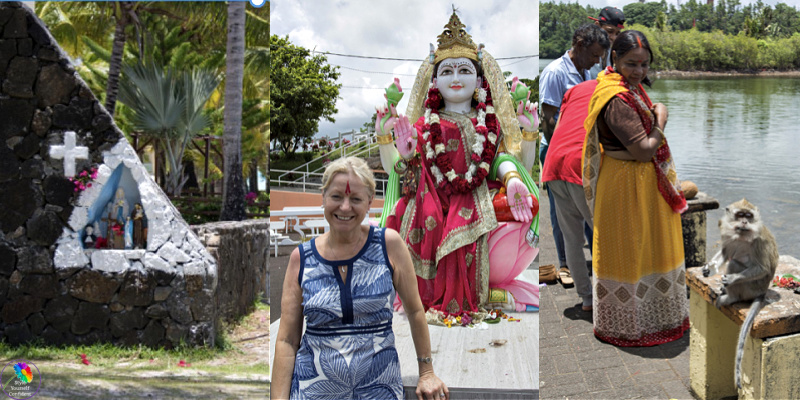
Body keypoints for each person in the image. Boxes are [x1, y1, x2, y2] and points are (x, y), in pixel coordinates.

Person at [375, 12, 539, 319]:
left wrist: (523, 151)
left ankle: (482, 287)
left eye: (464, 70)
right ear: (434, 81)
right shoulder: (424, 125)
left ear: (478, 80)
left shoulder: (490, 125)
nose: (455, 78)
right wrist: (403, 151)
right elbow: (404, 178)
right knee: (401, 216)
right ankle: (483, 293)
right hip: (431, 201)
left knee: (525, 204)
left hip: (479, 197)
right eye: (447, 71)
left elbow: (506, 160)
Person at [272, 157, 449, 400]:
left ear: (369, 202)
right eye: (336, 197)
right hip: (313, 391)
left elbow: (416, 311)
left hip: (378, 390)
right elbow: (287, 340)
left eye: (355, 199)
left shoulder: (389, 245)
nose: (345, 207)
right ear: (323, 197)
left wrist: (427, 371)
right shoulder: (301, 259)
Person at [582, 30, 689, 346]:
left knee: (648, 248)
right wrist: (660, 119)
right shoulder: (616, 98)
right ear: (614, 59)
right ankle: (626, 326)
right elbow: (644, 149)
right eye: (632, 64)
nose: (639, 71)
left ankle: (653, 319)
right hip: (626, 183)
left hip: (640, 180)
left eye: (644, 65)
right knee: (628, 251)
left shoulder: (629, 89)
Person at [539, 24, 609, 286]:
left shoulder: (587, 71)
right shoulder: (555, 73)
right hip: (557, 148)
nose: (596, 61)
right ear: (579, 46)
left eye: (600, 57)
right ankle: (565, 263)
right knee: (562, 216)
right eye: (593, 55)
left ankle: (586, 272)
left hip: (580, 151)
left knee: (582, 215)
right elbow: (548, 120)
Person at [541, 79, 598, 311]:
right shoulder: (612, 89)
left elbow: (557, 121)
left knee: (571, 238)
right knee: (601, 233)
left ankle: (586, 299)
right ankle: (609, 295)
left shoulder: (574, 89)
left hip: (553, 162)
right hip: (578, 164)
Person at [588, 7, 625, 79]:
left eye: (617, 33)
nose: (614, 37)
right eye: (610, 31)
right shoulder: (583, 53)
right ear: (597, 26)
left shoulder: (613, 55)